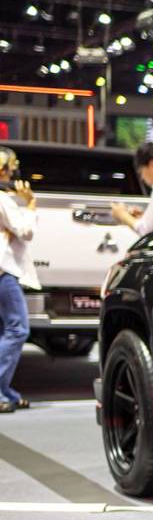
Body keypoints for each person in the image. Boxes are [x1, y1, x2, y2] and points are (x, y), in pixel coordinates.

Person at [0, 146, 38, 413]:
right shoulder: (3, 199)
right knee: (18, 329)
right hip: (4, 272)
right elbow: (25, 231)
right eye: (10, 168)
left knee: (7, 330)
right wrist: (31, 203)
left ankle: (7, 393)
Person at [111, 143, 153, 236]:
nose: (142, 178)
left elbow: (146, 231)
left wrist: (121, 214)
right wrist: (145, 217)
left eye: (141, 172)